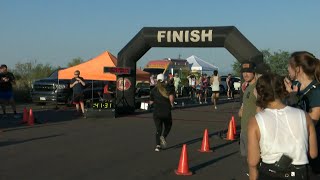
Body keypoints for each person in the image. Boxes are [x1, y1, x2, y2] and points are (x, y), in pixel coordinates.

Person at [247, 73, 318, 179]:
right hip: (299, 173)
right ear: (283, 90)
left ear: (259, 92)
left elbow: (253, 161)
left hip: (270, 172)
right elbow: (313, 153)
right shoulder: (304, 116)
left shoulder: (255, 121)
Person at [284, 51, 320, 176]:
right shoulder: (295, 87)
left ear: (298, 69)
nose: (287, 69)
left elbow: (312, 121)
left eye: (289, 66)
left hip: (314, 149)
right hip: (297, 149)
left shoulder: (316, 90)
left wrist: (293, 99)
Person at [149, 74, 174, 152]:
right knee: (169, 125)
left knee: (158, 129)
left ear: (157, 80)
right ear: (164, 80)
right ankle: (163, 136)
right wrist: (172, 104)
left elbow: (151, 102)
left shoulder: (153, 90)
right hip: (166, 111)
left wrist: (152, 104)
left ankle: (158, 146)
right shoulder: (168, 88)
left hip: (156, 112)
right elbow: (171, 97)